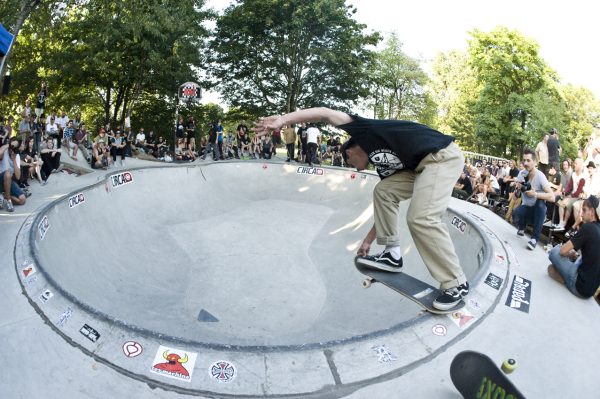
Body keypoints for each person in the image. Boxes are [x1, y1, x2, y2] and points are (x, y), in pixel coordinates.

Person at [254, 107, 469, 310]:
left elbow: (325, 114)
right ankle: (392, 254)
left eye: (348, 159)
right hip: (419, 167)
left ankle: (455, 283)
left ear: (353, 149)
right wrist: (368, 241)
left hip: (441, 157)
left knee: (421, 218)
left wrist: (283, 120)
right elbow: (387, 205)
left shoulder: (365, 131)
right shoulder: (385, 166)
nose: (350, 165)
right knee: (384, 191)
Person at [547, 195, 600, 299]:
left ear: (592, 212)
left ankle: (566, 278)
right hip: (590, 291)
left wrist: (565, 251)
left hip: (578, 286)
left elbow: (562, 252)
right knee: (575, 255)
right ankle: (565, 273)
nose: (581, 214)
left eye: (584, 210)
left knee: (554, 251)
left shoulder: (588, 227)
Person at [511, 149, 555, 250]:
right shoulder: (521, 174)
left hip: (538, 212)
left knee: (540, 204)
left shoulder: (540, 176)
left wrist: (535, 194)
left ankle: (534, 239)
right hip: (527, 208)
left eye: (528, 160)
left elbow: (552, 197)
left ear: (534, 162)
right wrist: (517, 189)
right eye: (524, 160)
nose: (525, 163)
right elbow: (514, 198)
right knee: (515, 214)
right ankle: (522, 226)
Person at [0, 137, 28, 212]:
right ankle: (9, 201)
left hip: (8, 181)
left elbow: (18, 177)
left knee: (22, 200)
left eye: (15, 147)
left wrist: (14, 160)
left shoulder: (17, 156)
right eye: (12, 146)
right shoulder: (5, 151)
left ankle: (3, 196)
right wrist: (8, 146)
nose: (13, 149)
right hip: (1, 178)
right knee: (8, 173)